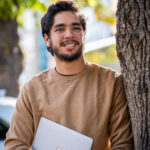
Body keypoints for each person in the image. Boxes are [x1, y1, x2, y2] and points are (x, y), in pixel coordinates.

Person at [4, 1, 134, 149]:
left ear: (83, 34)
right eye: (60, 29)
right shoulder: (31, 89)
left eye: (76, 28)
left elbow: (123, 145)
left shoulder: (111, 82)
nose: (69, 34)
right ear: (47, 39)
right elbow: (14, 145)